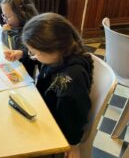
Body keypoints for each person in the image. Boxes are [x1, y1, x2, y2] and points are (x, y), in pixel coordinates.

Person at [21, 13, 94, 158]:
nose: (32, 56)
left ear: (53, 50)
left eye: (34, 52)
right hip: (47, 112)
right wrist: (24, 54)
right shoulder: (59, 57)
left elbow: (75, 116)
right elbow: (38, 59)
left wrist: (73, 145)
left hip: (58, 132)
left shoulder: (71, 80)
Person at [1, 0, 39, 76]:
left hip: (26, 73)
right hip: (18, 67)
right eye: (4, 15)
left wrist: (6, 32)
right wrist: (6, 32)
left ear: (21, 14)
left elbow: (15, 46)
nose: (5, 19)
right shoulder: (15, 26)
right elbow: (6, 42)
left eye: (8, 16)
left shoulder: (31, 29)